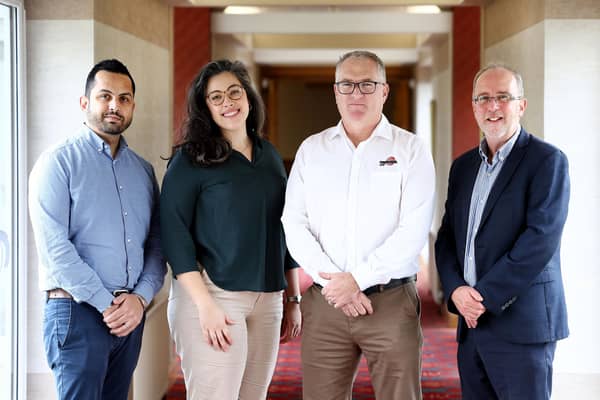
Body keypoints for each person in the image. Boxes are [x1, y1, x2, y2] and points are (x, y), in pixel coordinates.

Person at [282, 50, 435, 399]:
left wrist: (358, 280)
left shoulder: (411, 149)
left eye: (367, 84)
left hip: (391, 302)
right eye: (347, 85)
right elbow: (293, 222)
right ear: (335, 91)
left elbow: (413, 230)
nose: (356, 94)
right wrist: (335, 283)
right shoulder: (312, 150)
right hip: (325, 304)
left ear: (384, 91)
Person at [160, 59, 301, 400]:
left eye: (234, 92)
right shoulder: (191, 159)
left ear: (249, 98)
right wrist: (204, 306)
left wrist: (293, 297)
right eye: (216, 97)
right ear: (205, 107)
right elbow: (174, 234)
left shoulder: (268, 155)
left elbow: (285, 226)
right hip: (214, 296)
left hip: (268, 299)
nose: (228, 102)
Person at [28, 59, 166, 400]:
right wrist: (110, 304)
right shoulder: (58, 162)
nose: (114, 106)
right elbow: (55, 249)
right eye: (105, 96)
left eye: (124, 98)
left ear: (133, 105)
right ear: (85, 102)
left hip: (129, 315)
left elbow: (157, 243)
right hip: (78, 313)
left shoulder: (143, 171)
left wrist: (140, 298)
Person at [434, 64, 570, 400]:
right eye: (483, 98)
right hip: (471, 323)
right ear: (474, 107)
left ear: (521, 105)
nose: (493, 106)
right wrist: (455, 291)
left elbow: (540, 241)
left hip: (521, 322)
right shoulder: (463, 166)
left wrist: (482, 298)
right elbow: (448, 236)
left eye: (503, 98)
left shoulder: (547, 161)